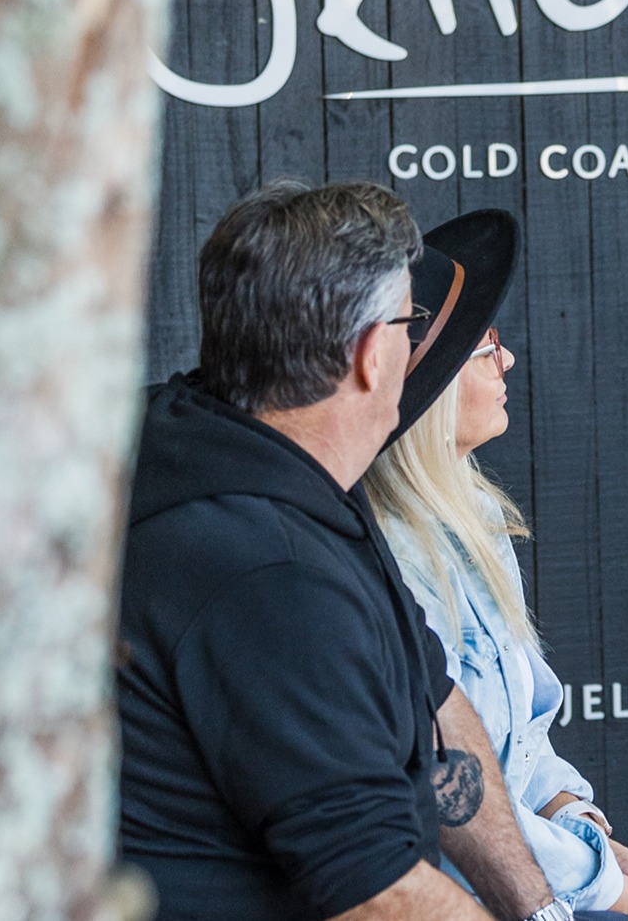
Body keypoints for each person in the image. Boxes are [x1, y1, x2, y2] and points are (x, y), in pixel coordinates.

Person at [118, 180, 578, 921]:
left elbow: (435, 708)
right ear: (371, 354)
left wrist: (541, 912)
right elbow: (376, 891)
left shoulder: (284, 464)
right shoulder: (268, 570)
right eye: (409, 324)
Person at [362, 210, 628, 921]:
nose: (508, 360)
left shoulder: (477, 516)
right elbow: (448, 795)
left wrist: (585, 824)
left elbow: (524, 738)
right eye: (486, 346)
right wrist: (606, 878)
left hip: (554, 866)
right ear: (428, 389)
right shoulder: (388, 560)